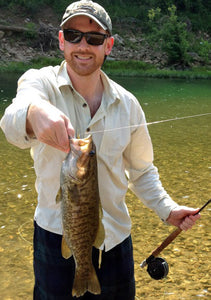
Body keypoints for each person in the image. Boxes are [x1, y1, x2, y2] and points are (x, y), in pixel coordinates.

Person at [0, 1, 200, 299]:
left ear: (108, 45)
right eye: (73, 35)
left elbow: (142, 170)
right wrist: (34, 112)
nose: (83, 45)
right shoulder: (38, 83)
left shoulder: (128, 104)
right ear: (60, 40)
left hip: (115, 241)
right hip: (57, 237)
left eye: (94, 38)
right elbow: (12, 122)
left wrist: (168, 209)